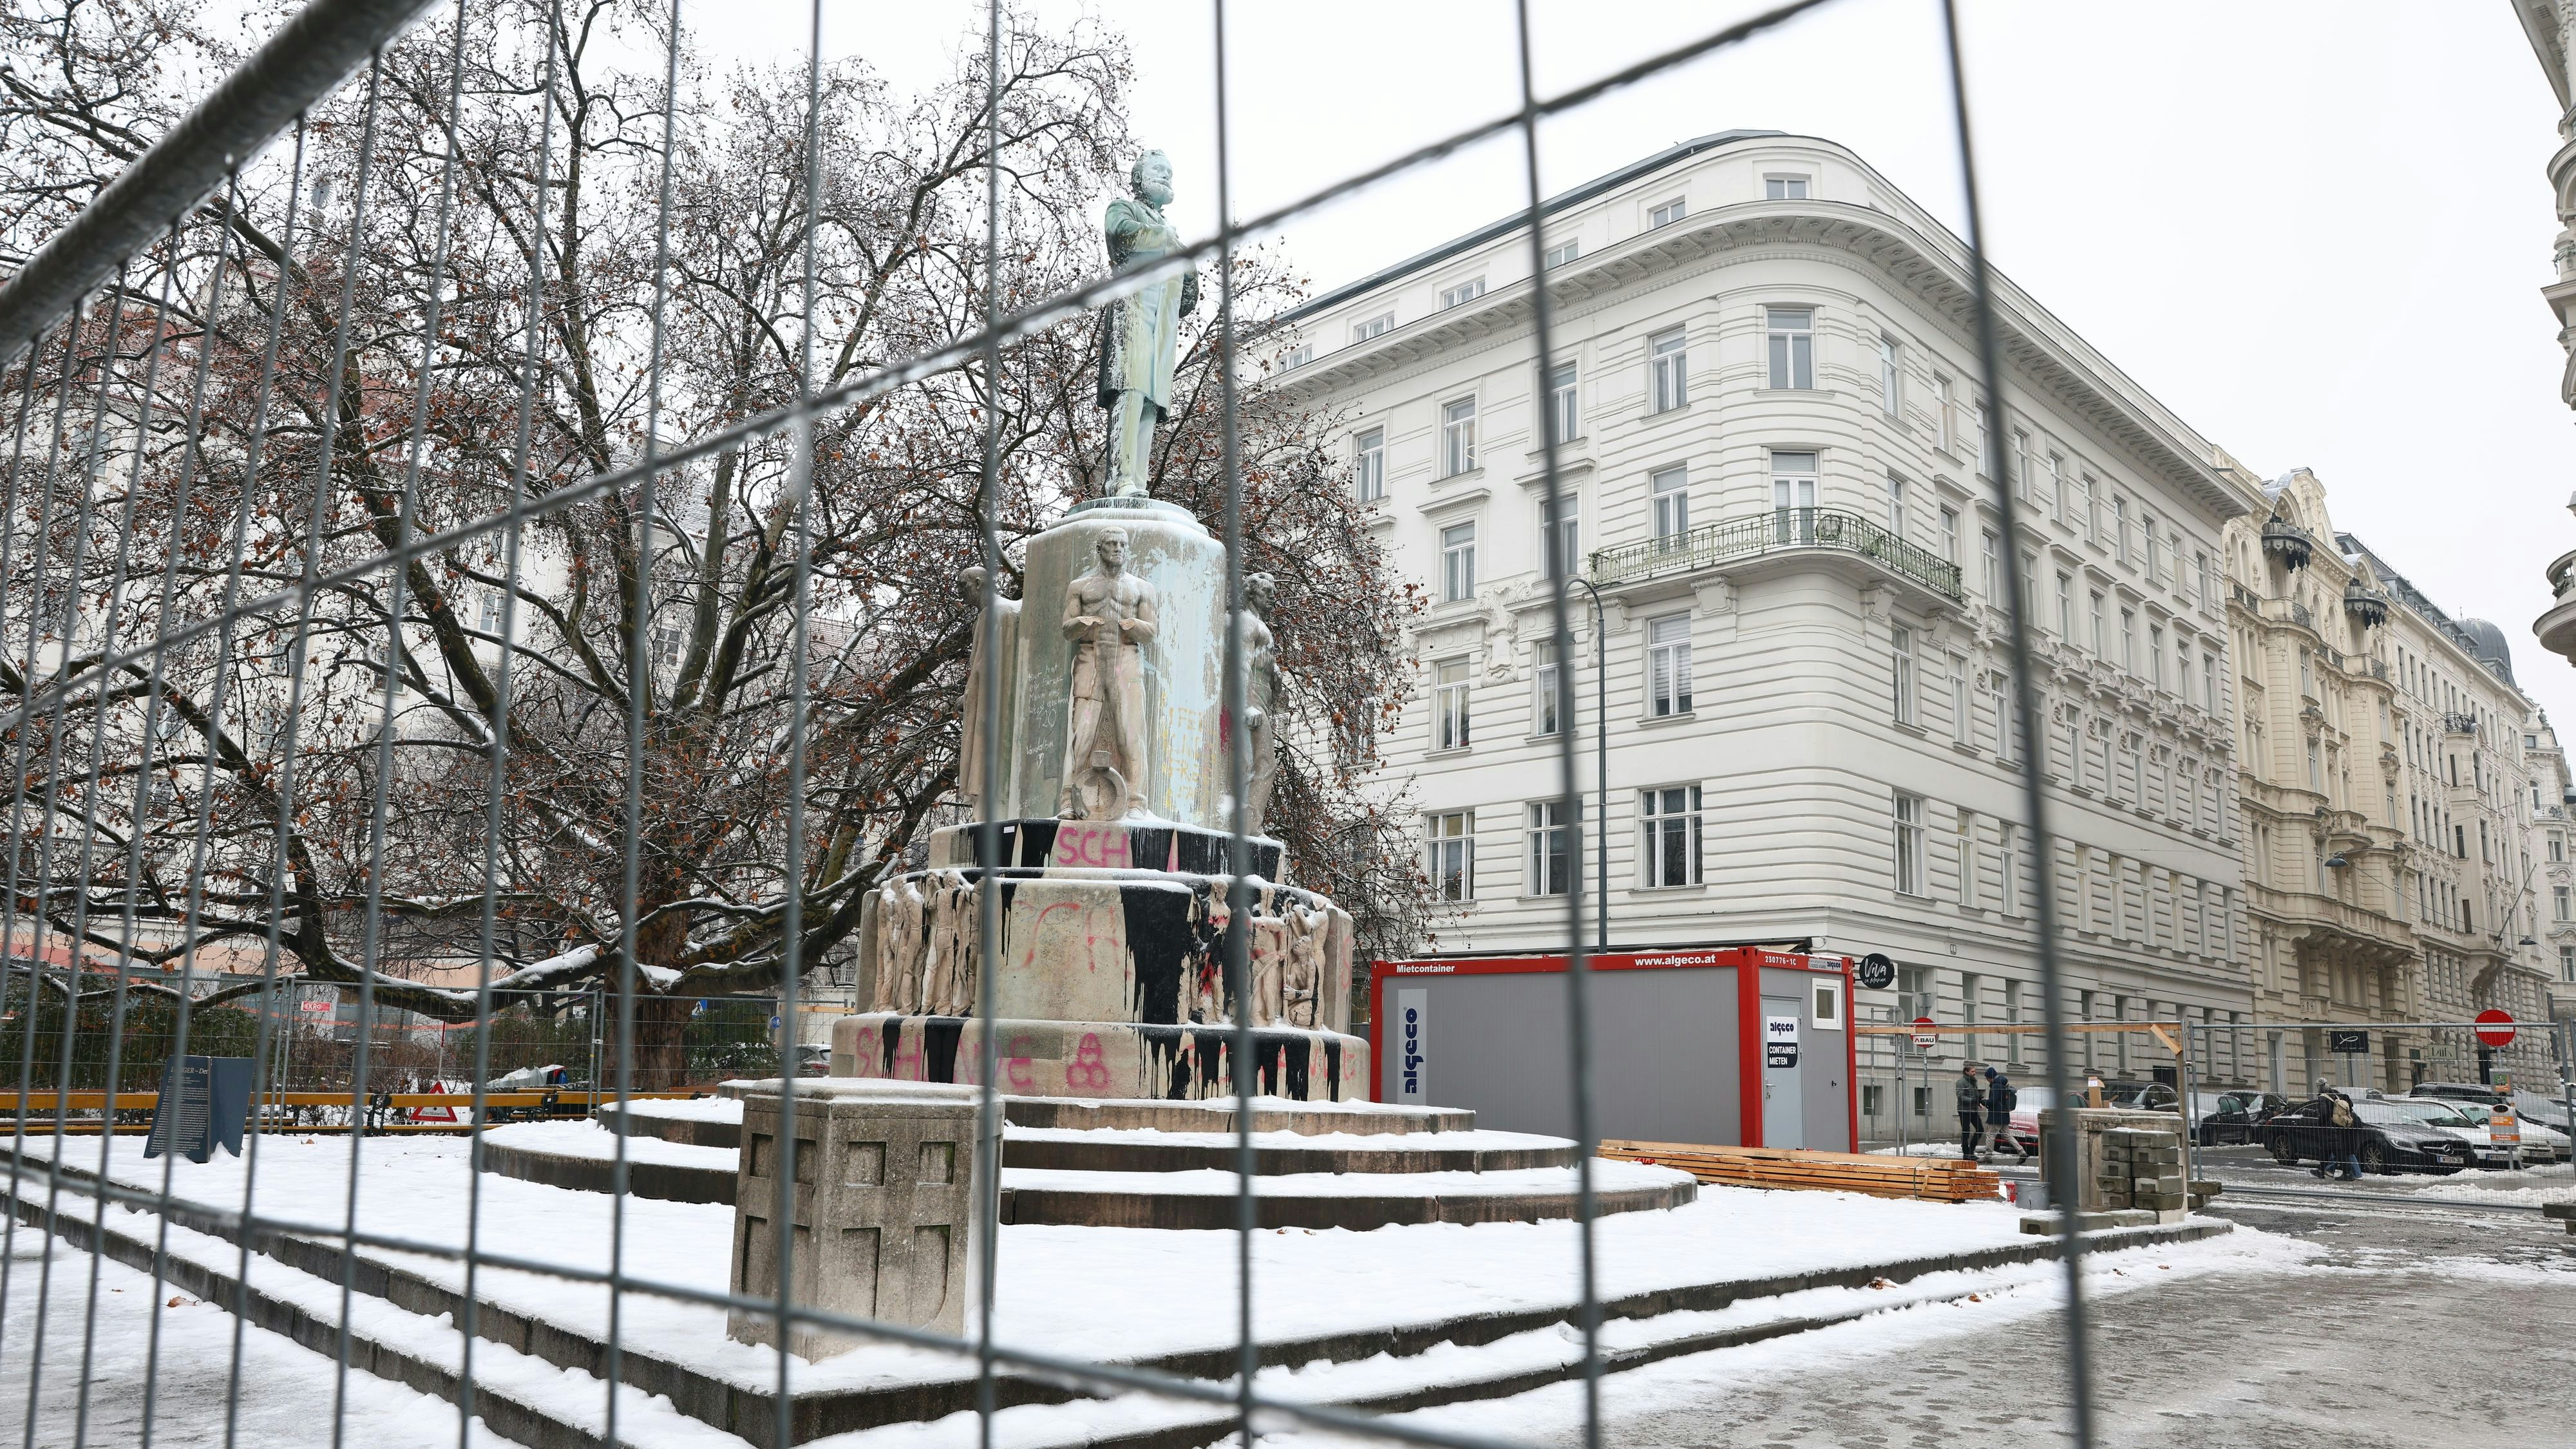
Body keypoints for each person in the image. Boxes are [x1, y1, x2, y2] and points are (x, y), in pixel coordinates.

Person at [2309, 1079, 2362, 1181]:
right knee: (2326, 1151)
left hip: (2329, 1130)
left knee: (2339, 1153)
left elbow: (2324, 1114)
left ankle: (2348, 1174)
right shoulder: (2336, 1095)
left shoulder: (2322, 1098)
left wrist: (2320, 1123)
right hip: (2338, 1127)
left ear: (2319, 1087)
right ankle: (2321, 1171)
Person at [1982, 1065, 2026, 1164]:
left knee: (1990, 1136)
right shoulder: (2003, 1084)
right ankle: (2022, 1152)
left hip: (1996, 1116)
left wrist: (1985, 1101)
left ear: (1990, 1077)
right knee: (2007, 1135)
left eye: (1987, 1078)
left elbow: (1993, 1101)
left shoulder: (1996, 1086)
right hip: (2004, 1114)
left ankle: (1988, 1157)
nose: (1987, 1080)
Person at [1956, 1063, 1987, 1160]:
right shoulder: (1961, 1082)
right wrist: (1973, 1100)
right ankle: (1966, 1154)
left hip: (1973, 1110)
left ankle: (1971, 1151)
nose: (1975, 1073)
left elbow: (1974, 1095)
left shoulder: (1973, 1081)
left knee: (1980, 1129)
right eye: (1973, 1071)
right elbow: (1961, 1097)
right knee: (1966, 1132)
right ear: (1966, 1071)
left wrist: (1978, 1102)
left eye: (1975, 1071)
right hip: (1964, 1110)